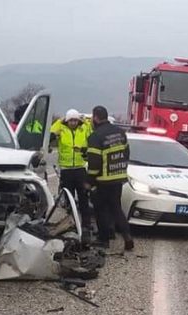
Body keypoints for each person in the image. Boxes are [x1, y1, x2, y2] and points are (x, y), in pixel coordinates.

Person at [85, 106, 134, 250]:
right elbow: (126, 153)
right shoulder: (120, 132)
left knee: (100, 209)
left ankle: (103, 239)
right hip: (118, 178)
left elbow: (94, 163)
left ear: (95, 117)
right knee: (116, 208)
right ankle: (127, 236)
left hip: (103, 180)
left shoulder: (95, 136)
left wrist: (89, 181)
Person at [50, 109, 92, 226]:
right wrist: (60, 121)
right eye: (70, 120)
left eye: (75, 120)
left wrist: (84, 121)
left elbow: (91, 131)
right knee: (69, 199)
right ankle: (71, 223)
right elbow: (51, 131)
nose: (73, 123)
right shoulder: (62, 129)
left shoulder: (83, 129)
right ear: (67, 121)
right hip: (66, 169)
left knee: (83, 198)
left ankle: (86, 224)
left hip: (80, 168)